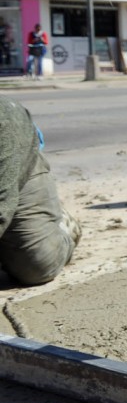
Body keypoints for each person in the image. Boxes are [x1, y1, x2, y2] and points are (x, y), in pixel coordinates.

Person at [1, 97, 81, 286]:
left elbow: (2, 203)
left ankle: (61, 226)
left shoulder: (4, 122)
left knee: (37, 264)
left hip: (17, 169)